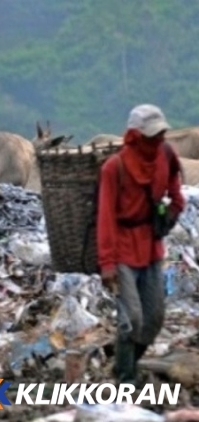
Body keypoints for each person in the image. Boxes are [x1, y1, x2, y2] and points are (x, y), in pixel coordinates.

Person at [96, 104, 185, 386]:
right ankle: (125, 376)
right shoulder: (115, 167)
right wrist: (107, 263)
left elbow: (174, 184)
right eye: (151, 136)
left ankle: (129, 362)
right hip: (123, 248)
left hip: (151, 247)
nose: (157, 140)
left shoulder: (166, 155)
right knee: (131, 317)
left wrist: (175, 206)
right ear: (135, 136)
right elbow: (106, 216)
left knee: (155, 316)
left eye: (160, 134)